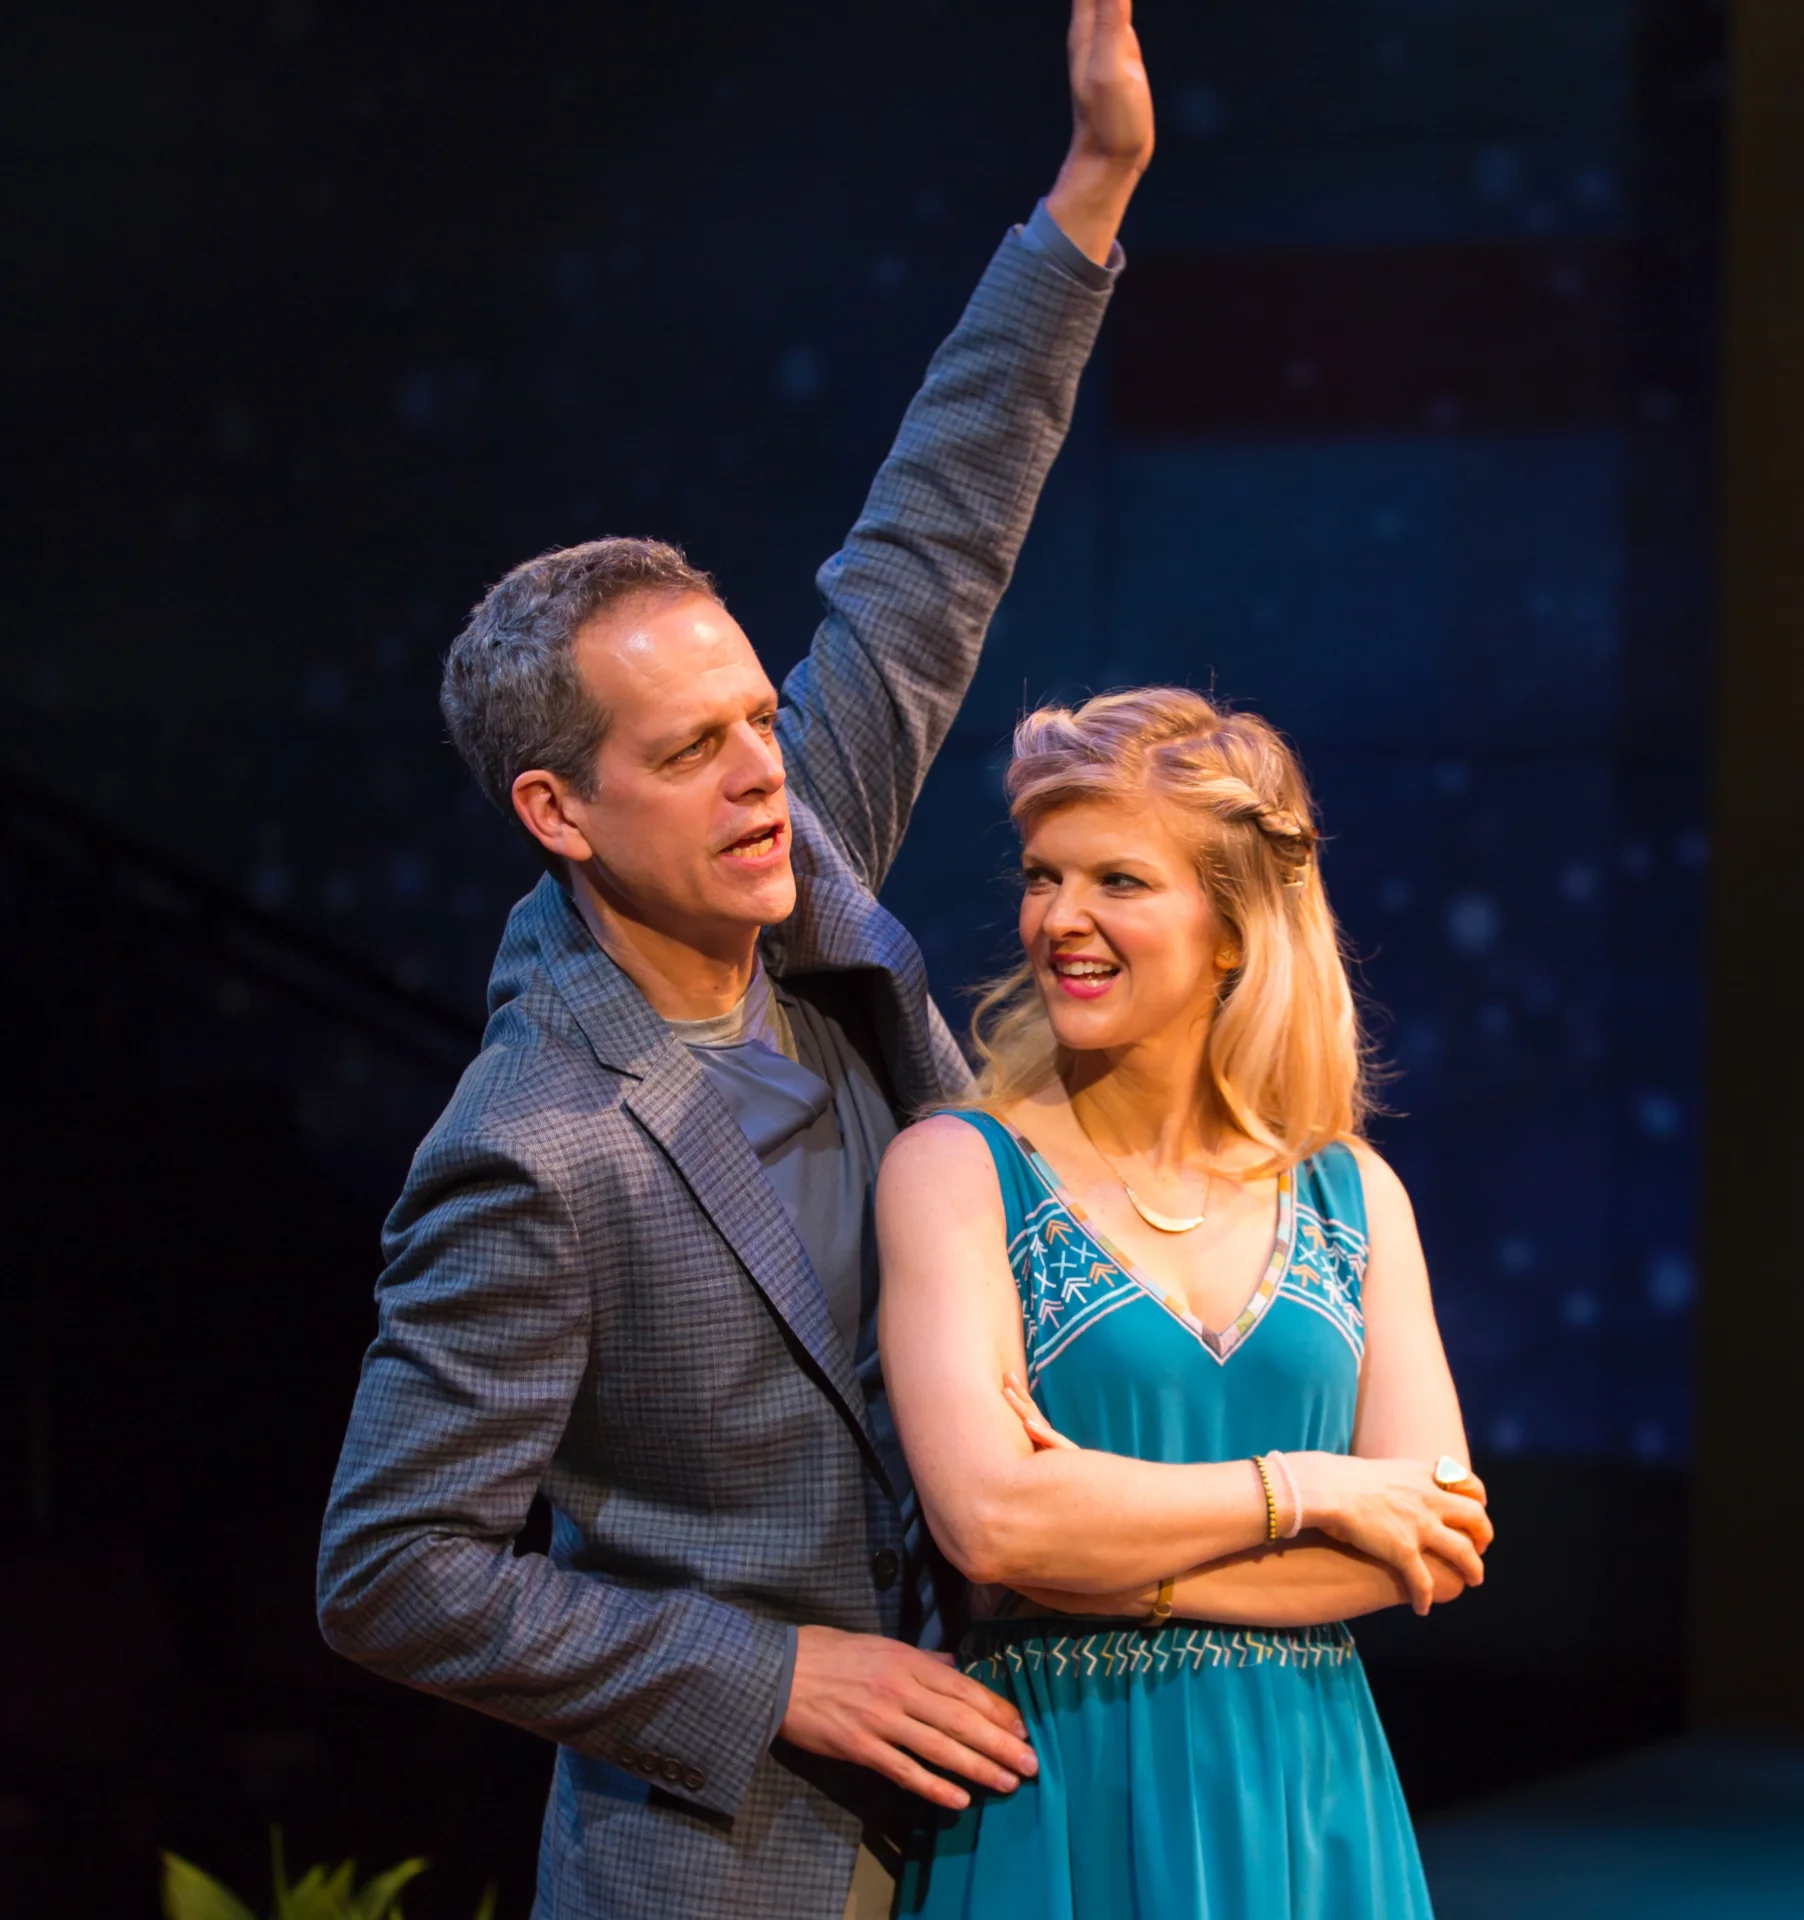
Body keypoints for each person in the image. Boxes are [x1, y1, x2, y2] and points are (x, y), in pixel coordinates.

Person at [314, 8, 1155, 1917]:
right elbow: (390, 1569)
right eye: (689, 750)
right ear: (558, 810)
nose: (761, 769)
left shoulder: (798, 854)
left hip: (1000, 1803)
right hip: (738, 1861)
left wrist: (1086, 201)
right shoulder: (536, 1143)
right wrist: (770, 1672)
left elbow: (925, 550)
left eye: (760, 716)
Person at [876, 688, 1495, 1919]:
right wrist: (1313, 1492)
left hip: (1308, 1795)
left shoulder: (1354, 1192)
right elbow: (996, 1525)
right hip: (1058, 1786)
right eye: (1044, 877)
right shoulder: (956, 1170)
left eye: (1119, 880)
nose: (1063, 919)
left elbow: (1428, 1543)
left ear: (1234, 928)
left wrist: (1109, 1560)